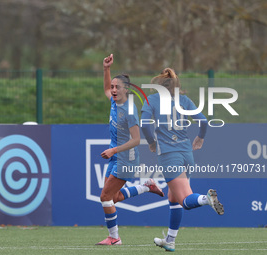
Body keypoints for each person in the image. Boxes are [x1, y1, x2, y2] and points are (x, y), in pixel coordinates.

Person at [141, 68, 224, 252]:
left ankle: (206, 199)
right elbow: (202, 121)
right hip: (187, 154)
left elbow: (144, 125)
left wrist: (151, 142)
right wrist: (200, 138)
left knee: (185, 200)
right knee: (173, 198)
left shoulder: (152, 100)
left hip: (169, 155)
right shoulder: (183, 100)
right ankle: (170, 240)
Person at [96, 54, 164, 246]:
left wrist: (114, 150)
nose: (113, 90)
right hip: (116, 156)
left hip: (126, 158)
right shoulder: (114, 101)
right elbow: (106, 88)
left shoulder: (130, 111)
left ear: (126, 89)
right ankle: (146, 186)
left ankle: (115, 238)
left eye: (118, 87)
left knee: (105, 197)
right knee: (114, 197)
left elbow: (136, 140)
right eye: (113, 87)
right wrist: (106, 69)